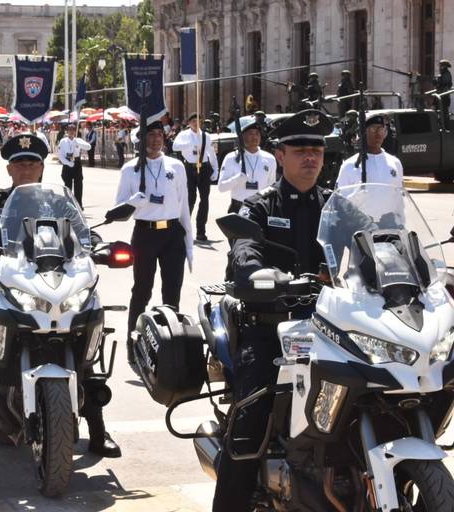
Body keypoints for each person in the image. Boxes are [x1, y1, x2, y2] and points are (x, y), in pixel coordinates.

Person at [0, 133, 121, 458]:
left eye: (32, 163)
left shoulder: (59, 202)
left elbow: (82, 230)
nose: (26, 168)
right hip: (6, 282)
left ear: (43, 167)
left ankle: (98, 429)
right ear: (9, 169)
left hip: (54, 282)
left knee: (87, 319)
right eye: (19, 163)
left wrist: (98, 244)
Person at [212, 110, 334, 511]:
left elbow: (371, 244)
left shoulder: (336, 208)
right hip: (272, 329)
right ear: (279, 155)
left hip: (332, 330)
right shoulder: (260, 206)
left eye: (316, 149)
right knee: (252, 418)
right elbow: (243, 251)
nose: (311, 157)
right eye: (301, 149)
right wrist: (257, 272)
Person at [115, 120, 193, 364]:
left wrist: (189, 243)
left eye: (160, 134)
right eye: (151, 135)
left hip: (171, 233)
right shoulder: (130, 169)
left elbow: (184, 206)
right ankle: (133, 344)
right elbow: (118, 209)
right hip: (145, 234)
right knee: (141, 291)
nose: (156, 139)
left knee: (172, 292)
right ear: (142, 138)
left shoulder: (176, 166)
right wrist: (133, 202)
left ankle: (172, 347)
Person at [172, 113, 219, 242]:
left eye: (198, 120)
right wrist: (187, 144)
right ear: (189, 123)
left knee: (204, 200)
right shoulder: (184, 135)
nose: (195, 123)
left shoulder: (206, 136)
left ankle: (201, 231)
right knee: (190, 199)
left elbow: (212, 154)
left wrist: (216, 169)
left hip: (203, 168)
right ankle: (184, 230)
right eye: (193, 121)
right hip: (190, 168)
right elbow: (174, 146)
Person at [217, 119, 277, 213]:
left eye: (257, 133)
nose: (254, 137)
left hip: (260, 208)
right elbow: (221, 187)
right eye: (250, 133)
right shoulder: (232, 158)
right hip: (238, 207)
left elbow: (271, 187)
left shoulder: (270, 159)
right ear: (242, 137)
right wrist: (237, 179)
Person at [336, 113, 403, 188]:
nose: (378, 134)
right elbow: (340, 197)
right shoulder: (349, 165)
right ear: (362, 133)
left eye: (381, 129)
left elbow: (399, 195)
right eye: (373, 129)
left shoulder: (395, 163)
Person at [57, 124, 91, 208]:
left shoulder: (78, 140)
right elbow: (60, 155)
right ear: (67, 131)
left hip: (76, 162)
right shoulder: (63, 141)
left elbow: (89, 147)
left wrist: (79, 144)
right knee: (67, 185)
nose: (72, 132)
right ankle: (68, 204)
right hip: (67, 163)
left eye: (73, 130)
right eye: (70, 130)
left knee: (78, 185)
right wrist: (68, 163)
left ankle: (78, 204)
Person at [435, 59, 452, 129]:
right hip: (441, 94)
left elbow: (445, 83)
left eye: (441, 65)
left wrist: (438, 81)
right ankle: (441, 126)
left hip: (444, 95)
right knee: (439, 111)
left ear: (444, 66)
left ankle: (445, 127)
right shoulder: (443, 74)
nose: (440, 67)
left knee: (444, 112)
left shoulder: (446, 74)